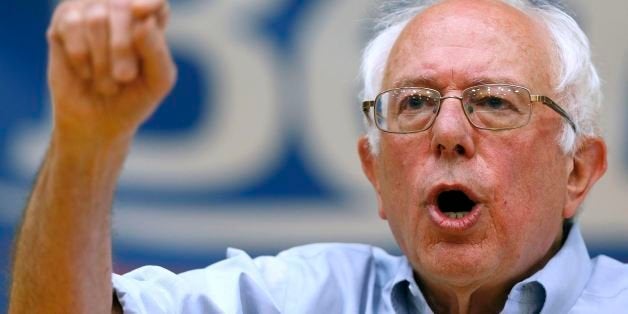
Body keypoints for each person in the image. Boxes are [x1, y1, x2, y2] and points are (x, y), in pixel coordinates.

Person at [8, 0, 628, 312]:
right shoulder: (305, 296)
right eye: (412, 103)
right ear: (375, 175)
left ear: (577, 170)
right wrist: (87, 142)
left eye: (495, 101)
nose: (447, 132)